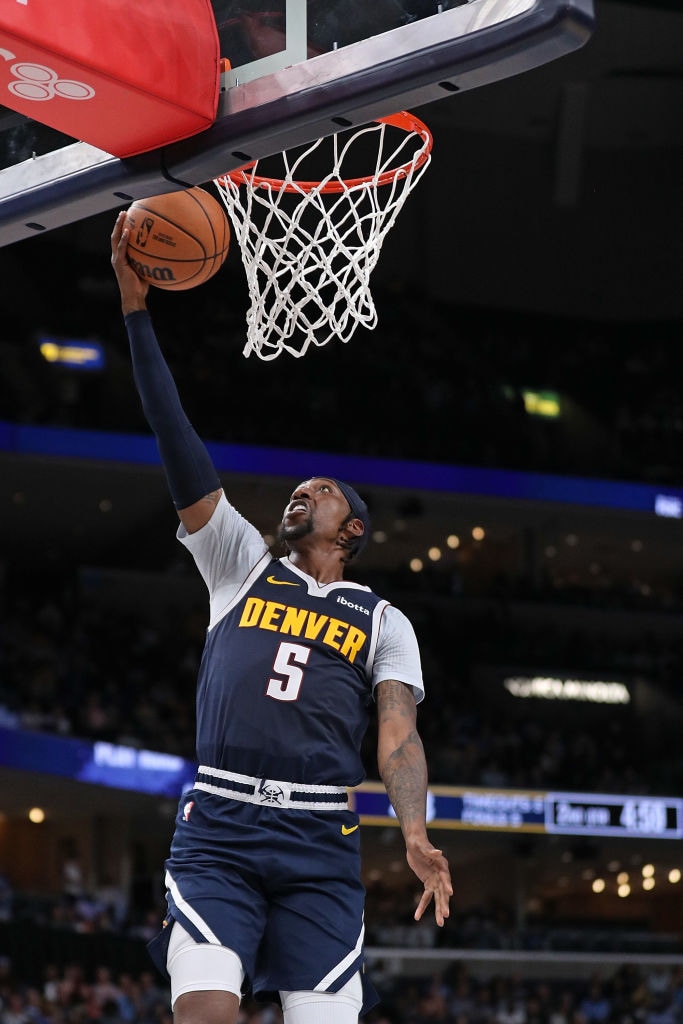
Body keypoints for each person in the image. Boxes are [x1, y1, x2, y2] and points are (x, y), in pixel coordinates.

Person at [110, 211, 452, 1024]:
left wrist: (412, 831)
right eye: (298, 487)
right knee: (203, 1013)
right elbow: (174, 435)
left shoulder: (381, 619)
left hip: (318, 841)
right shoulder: (238, 562)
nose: (303, 489)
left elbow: (397, 737)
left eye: (323, 491)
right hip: (220, 824)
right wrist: (135, 310)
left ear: (354, 531)